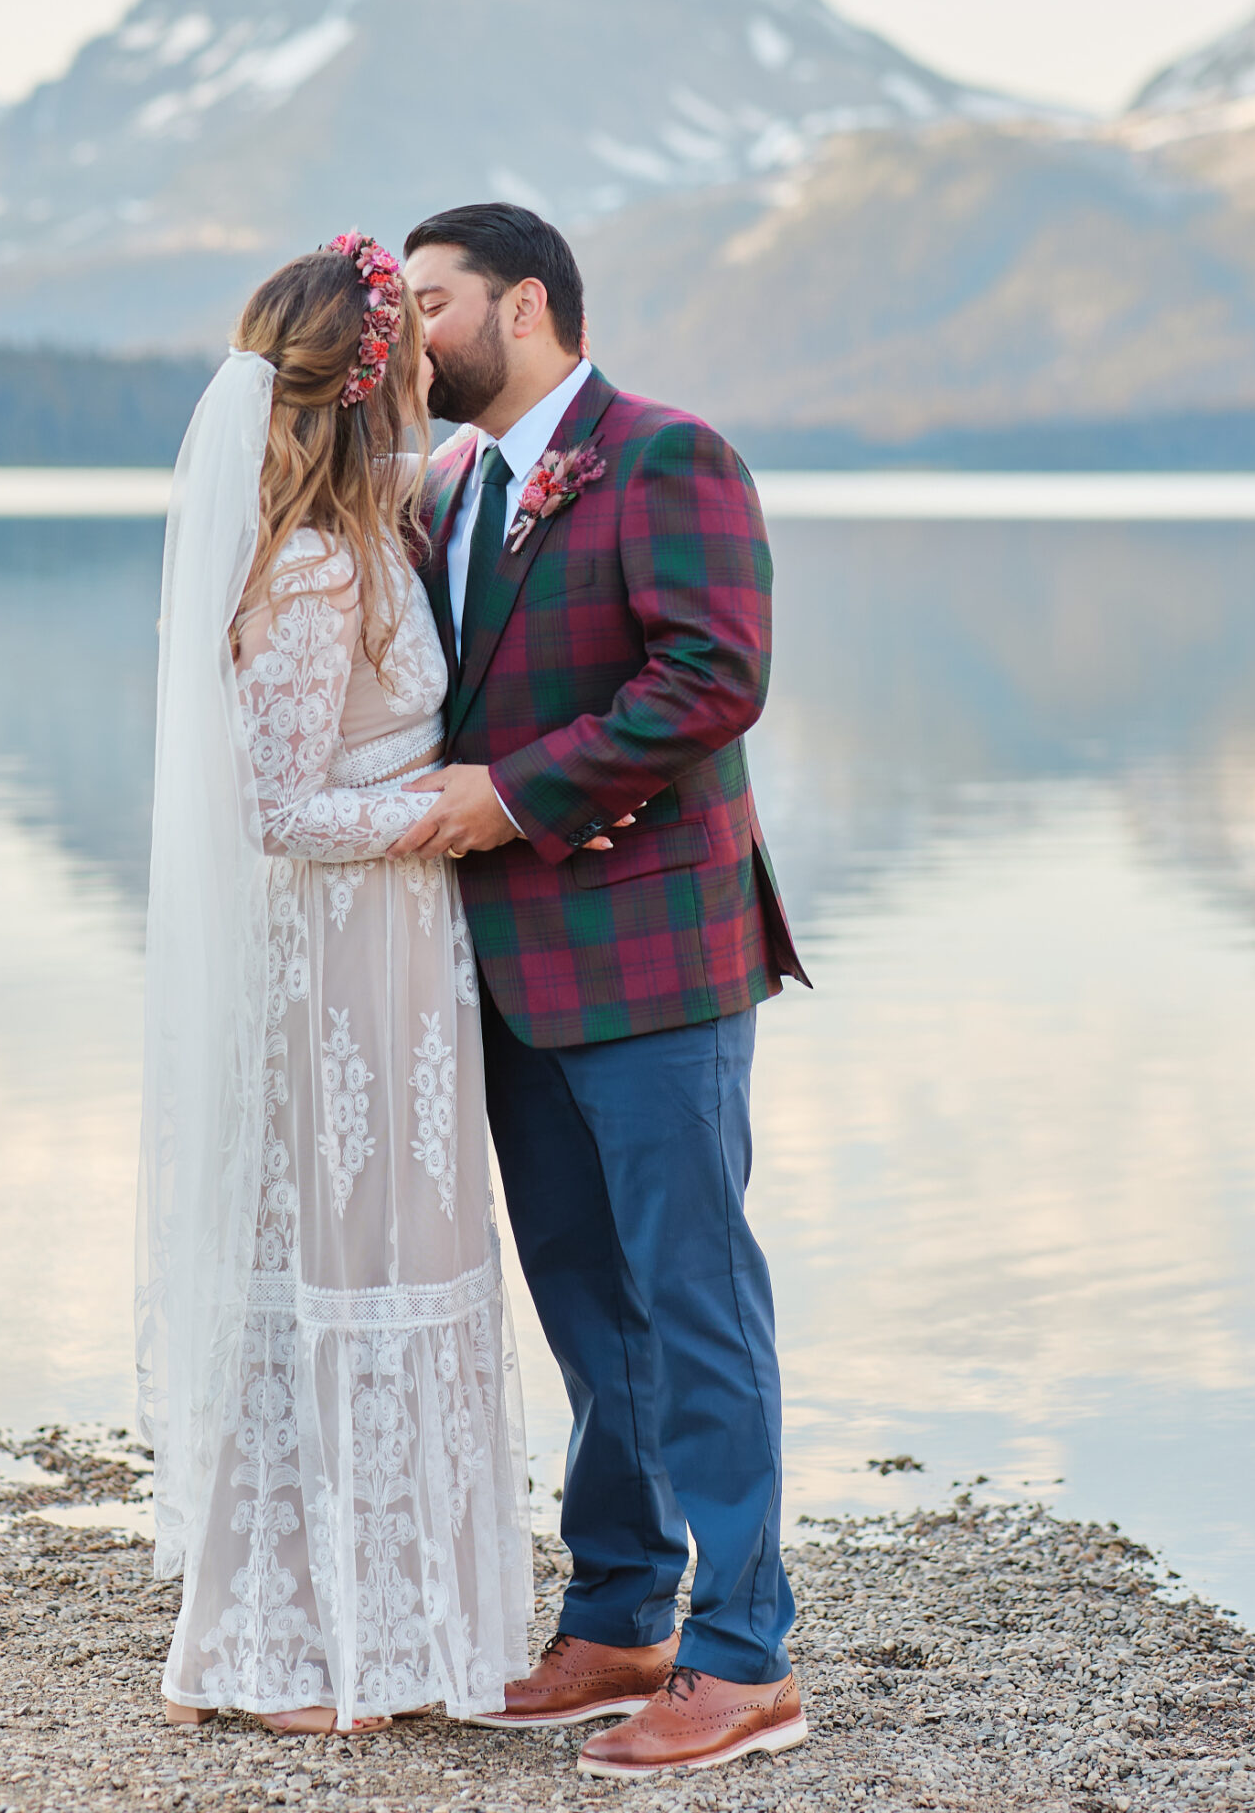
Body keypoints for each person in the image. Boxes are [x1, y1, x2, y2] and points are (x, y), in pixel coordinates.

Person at [392, 201, 811, 1782]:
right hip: (506, 970)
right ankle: (622, 1614)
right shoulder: (447, 487)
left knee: (695, 1299)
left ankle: (746, 1657)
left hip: (655, 957)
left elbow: (713, 676)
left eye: (434, 303)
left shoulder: (665, 456)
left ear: (527, 308)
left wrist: (517, 796)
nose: (408, 332)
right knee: (584, 1302)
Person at [135, 235, 532, 1735]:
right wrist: (439, 807)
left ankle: (394, 1630)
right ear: (369, 383)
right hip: (341, 965)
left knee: (398, 1260)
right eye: (410, 346)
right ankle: (290, 1651)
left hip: (402, 956)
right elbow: (281, 808)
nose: (434, 361)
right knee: (340, 1269)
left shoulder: (368, 531)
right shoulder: (305, 566)